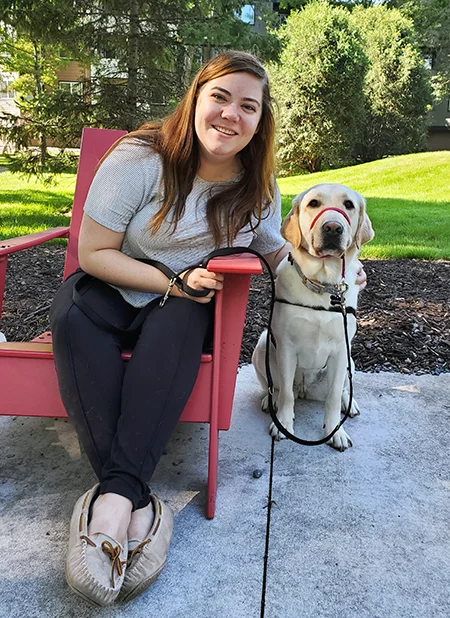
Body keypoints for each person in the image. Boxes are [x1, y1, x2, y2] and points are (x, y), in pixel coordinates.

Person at [50, 50, 366, 607]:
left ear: (259, 121)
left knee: (182, 314)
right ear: (196, 98)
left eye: (248, 106)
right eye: (220, 97)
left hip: (184, 307)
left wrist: (335, 270)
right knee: (75, 316)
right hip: (112, 285)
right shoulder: (139, 157)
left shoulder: (256, 189)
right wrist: (169, 279)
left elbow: (278, 250)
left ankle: (110, 508)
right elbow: (92, 252)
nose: (230, 115)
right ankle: (134, 501)